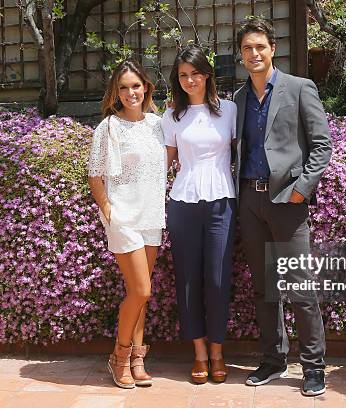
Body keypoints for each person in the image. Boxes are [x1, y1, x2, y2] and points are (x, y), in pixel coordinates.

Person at [233, 18, 333, 396]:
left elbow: (322, 145)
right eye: (247, 48)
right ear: (241, 54)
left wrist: (301, 190)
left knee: (300, 288)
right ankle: (273, 360)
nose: (254, 54)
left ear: (273, 48)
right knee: (264, 288)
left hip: (287, 204)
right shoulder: (238, 99)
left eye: (260, 46)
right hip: (250, 201)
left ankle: (313, 367)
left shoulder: (299, 88)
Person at [161, 45, 237, 384]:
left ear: (207, 74)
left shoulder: (230, 110)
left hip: (223, 202)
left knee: (218, 280)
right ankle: (200, 353)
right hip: (183, 203)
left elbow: (245, 154)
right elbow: (164, 164)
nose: (190, 80)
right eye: (183, 76)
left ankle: (219, 351)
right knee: (189, 280)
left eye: (195, 73)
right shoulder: (171, 117)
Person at [87, 59, 166, 389]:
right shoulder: (108, 128)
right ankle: (119, 357)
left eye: (136, 85)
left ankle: (137, 358)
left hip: (151, 216)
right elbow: (95, 177)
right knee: (141, 289)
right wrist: (109, 212)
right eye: (123, 87)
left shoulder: (158, 125)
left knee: (141, 295)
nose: (130, 92)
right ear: (115, 93)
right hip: (124, 218)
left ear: (146, 87)